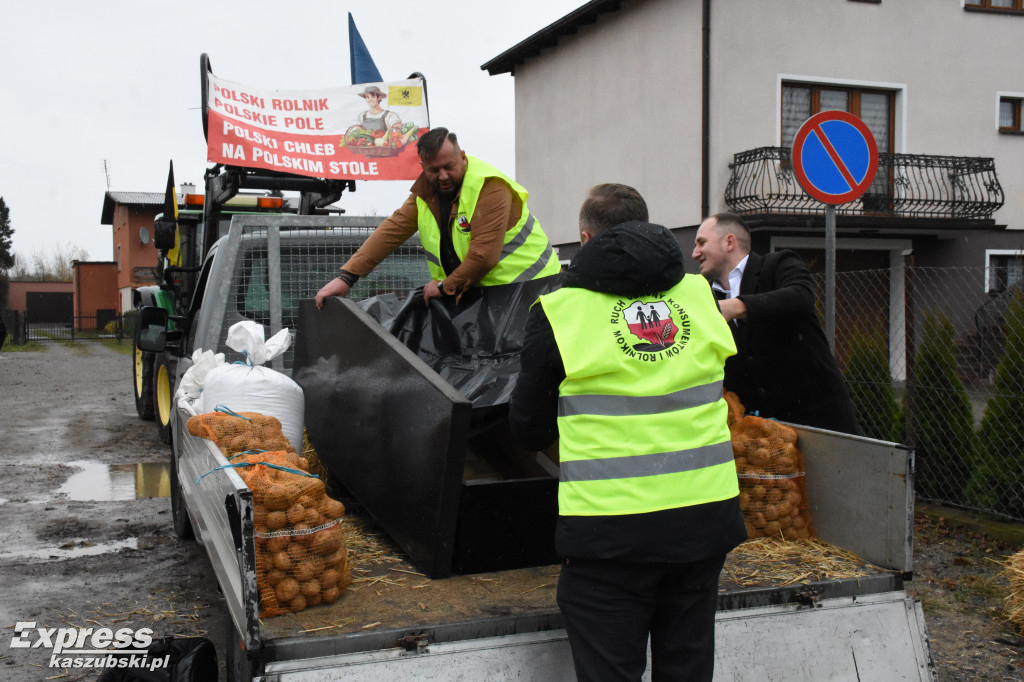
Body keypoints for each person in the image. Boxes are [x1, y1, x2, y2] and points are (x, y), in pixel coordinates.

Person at [509, 184, 746, 681]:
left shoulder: (559, 310)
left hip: (609, 534)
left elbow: (526, 430)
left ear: (585, 236)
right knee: (687, 669)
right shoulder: (699, 293)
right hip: (702, 524)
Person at [315, 127, 560, 309]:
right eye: (434, 170)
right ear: (422, 166)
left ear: (462, 156)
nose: (443, 176)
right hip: (487, 298)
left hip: (533, 292)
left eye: (449, 166)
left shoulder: (490, 187)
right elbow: (393, 230)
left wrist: (445, 286)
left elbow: (483, 256)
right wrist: (347, 277)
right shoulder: (425, 194)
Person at [692, 211, 860, 434]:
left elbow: (801, 296)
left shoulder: (778, 264)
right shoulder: (705, 296)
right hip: (764, 438)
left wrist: (735, 306)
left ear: (729, 241)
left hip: (822, 424)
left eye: (702, 243)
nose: (695, 253)